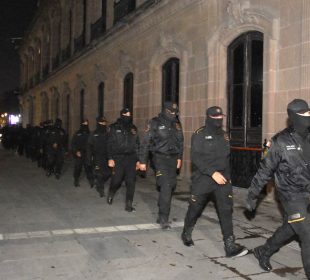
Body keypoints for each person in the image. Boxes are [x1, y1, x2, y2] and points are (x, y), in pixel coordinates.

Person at [245, 99, 310, 278]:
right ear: (295, 116)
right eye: (305, 114)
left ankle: (264, 251)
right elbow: (265, 170)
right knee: (307, 236)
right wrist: (252, 196)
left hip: (307, 191)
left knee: (291, 228)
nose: (309, 117)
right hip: (290, 195)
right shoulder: (280, 141)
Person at [181, 106, 248, 258]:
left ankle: (230, 246)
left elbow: (226, 160)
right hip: (203, 179)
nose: (219, 120)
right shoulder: (199, 134)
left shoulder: (224, 136)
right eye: (215, 117)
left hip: (222, 180)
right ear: (209, 117)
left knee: (226, 211)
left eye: (221, 117)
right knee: (194, 208)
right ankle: (186, 232)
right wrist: (212, 173)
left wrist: (228, 180)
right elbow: (196, 158)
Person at [139, 102, 184, 229]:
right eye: (171, 112)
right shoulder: (155, 122)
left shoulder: (177, 123)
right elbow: (145, 142)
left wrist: (180, 158)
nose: (173, 114)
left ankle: (162, 206)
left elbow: (181, 141)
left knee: (171, 185)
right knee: (166, 186)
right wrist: (143, 161)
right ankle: (163, 217)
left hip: (173, 158)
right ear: (165, 110)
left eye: (175, 112)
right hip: (159, 158)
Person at [107, 108, 140, 212]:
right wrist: (110, 158)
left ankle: (129, 204)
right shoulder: (113, 127)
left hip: (131, 158)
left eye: (129, 114)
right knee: (117, 180)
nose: (128, 116)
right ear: (121, 115)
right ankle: (111, 193)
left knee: (131, 182)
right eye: (126, 114)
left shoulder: (133, 128)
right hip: (118, 158)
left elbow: (137, 145)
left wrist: (138, 160)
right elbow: (109, 144)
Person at [87, 116, 111, 197]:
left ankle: (99, 183)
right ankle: (101, 189)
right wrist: (89, 158)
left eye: (104, 123)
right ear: (98, 123)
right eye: (101, 123)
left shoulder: (108, 134)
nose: (103, 124)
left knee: (108, 173)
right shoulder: (93, 134)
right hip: (97, 157)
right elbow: (89, 146)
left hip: (107, 157)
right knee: (100, 174)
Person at [71, 119, 93, 187]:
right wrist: (76, 151)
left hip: (87, 153)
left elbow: (92, 144)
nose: (85, 125)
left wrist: (92, 154)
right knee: (78, 168)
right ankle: (76, 180)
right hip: (79, 153)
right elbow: (73, 143)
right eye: (84, 123)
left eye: (87, 123)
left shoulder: (90, 133)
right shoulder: (77, 133)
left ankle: (90, 180)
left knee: (88, 168)